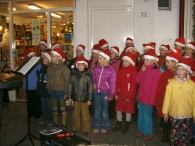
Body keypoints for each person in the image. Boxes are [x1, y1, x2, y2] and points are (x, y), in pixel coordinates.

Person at [162, 57, 195, 146]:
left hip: (186, 114)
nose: (179, 71)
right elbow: (167, 98)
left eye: (182, 69)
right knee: (174, 134)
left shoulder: (192, 85)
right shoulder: (171, 83)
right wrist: (165, 112)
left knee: (185, 134)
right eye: (178, 69)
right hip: (174, 114)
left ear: (187, 71)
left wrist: (194, 114)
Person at [154, 48, 182, 143]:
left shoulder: (180, 75)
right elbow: (159, 89)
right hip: (165, 101)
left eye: (168, 62)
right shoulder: (164, 74)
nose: (166, 64)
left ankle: (172, 135)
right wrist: (158, 102)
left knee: (173, 121)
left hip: (175, 103)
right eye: (166, 61)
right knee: (164, 120)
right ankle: (165, 134)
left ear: (175, 63)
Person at [136, 49, 161, 140]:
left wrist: (151, 100)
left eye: (147, 60)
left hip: (148, 99)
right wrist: (141, 71)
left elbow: (154, 88)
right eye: (144, 60)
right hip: (141, 98)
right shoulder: (144, 69)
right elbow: (138, 81)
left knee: (147, 116)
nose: (145, 62)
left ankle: (148, 132)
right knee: (141, 115)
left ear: (153, 60)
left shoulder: (156, 72)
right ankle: (141, 130)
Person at [112, 52, 138, 133]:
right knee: (118, 110)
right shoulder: (120, 71)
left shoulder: (133, 72)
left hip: (128, 96)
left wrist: (129, 96)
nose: (124, 63)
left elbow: (133, 86)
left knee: (128, 111)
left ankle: (126, 125)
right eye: (124, 61)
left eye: (127, 61)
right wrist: (116, 93)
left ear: (131, 62)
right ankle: (118, 124)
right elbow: (117, 83)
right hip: (120, 95)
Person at [67, 56, 93, 135]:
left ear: (85, 66)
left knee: (85, 115)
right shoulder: (73, 75)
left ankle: (86, 129)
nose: (80, 66)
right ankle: (75, 127)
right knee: (75, 114)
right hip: (76, 99)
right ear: (76, 65)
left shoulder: (88, 77)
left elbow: (90, 89)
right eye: (79, 65)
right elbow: (70, 87)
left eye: (82, 65)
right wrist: (69, 97)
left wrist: (89, 99)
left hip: (85, 99)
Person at [92, 50, 116, 134]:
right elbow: (93, 77)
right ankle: (96, 126)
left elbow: (112, 83)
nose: (99, 60)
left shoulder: (111, 70)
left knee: (104, 111)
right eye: (98, 58)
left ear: (106, 59)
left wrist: (111, 94)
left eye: (101, 59)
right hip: (96, 92)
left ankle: (104, 126)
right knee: (97, 110)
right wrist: (94, 83)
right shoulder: (96, 68)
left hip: (105, 93)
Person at [46, 48, 70, 130]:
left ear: (59, 58)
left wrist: (66, 92)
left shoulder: (64, 68)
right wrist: (48, 88)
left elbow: (67, 81)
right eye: (51, 56)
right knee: (54, 108)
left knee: (63, 108)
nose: (51, 58)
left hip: (61, 91)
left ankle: (64, 124)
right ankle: (55, 123)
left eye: (53, 56)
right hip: (52, 91)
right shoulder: (50, 67)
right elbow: (48, 78)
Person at [23, 49, 42, 119]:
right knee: (30, 100)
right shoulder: (26, 65)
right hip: (28, 85)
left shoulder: (38, 65)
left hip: (36, 85)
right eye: (30, 56)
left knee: (37, 100)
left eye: (33, 55)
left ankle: (38, 112)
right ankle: (31, 112)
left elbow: (39, 74)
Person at [36, 50, 53, 125]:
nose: (43, 60)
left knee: (49, 106)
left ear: (49, 60)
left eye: (45, 58)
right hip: (42, 89)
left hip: (48, 90)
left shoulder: (50, 69)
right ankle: (45, 118)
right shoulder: (42, 67)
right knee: (43, 105)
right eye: (43, 58)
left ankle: (51, 119)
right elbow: (40, 79)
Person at [108, 46, 121, 119]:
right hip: (108, 82)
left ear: (116, 54)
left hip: (115, 81)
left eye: (112, 52)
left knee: (114, 98)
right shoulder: (107, 61)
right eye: (110, 52)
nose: (111, 54)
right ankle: (110, 113)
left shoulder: (119, 62)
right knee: (109, 98)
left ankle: (114, 113)